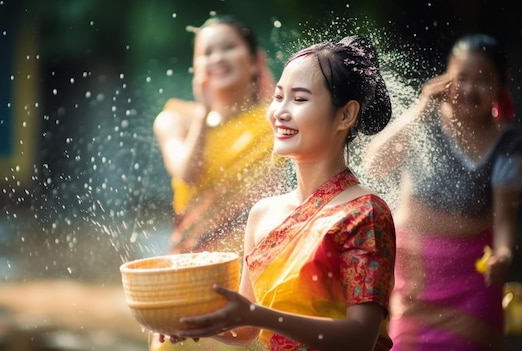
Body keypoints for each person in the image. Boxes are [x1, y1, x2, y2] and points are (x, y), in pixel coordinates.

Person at [161, 35, 397, 351]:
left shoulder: (364, 213)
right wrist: (196, 321)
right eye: (278, 97)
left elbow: (359, 338)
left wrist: (258, 316)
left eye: (299, 100)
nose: (279, 113)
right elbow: (246, 329)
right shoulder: (263, 215)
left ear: (346, 115)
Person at [363, 33, 522, 350]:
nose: (468, 89)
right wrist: (417, 111)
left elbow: (505, 218)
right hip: (414, 277)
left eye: (482, 80)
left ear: (499, 87)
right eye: (460, 78)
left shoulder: (508, 142)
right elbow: (373, 165)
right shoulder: (422, 122)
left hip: (474, 278)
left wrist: (503, 255)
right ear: (446, 80)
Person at [151, 15, 289, 351]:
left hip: (254, 288)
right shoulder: (176, 119)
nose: (218, 58)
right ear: (195, 66)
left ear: (255, 61)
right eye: (207, 53)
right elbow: (186, 171)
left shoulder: (277, 119)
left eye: (228, 48)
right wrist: (203, 110)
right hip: (186, 286)